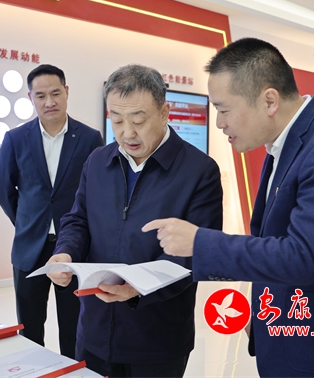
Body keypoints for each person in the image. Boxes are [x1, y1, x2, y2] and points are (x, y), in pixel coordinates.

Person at [143, 38, 314, 376]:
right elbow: (272, 241)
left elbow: (302, 257)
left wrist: (199, 242)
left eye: (224, 109)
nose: (219, 123)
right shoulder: (284, 145)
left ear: (269, 100)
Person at [47, 64, 223, 377]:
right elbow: (78, 219)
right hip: (95, 330)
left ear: (165, 112)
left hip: (157, 339)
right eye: (116, 119)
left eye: (138, 120)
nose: (127, 132)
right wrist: (65, 252)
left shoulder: (199, 171)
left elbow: (197, 253)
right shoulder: (98, 161)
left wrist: (138, 287)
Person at [0, 64, 103, 355]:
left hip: (75, 247)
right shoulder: (15, 139)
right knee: (29, 327)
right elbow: (4, 190)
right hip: (30, 246)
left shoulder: (90, 138)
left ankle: (73, 371)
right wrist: (27, 222)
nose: (49, 102)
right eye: (40, 95)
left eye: (55, 93)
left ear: (66, 92)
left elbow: (97, 193)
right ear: (30, 97)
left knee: (74, 324)